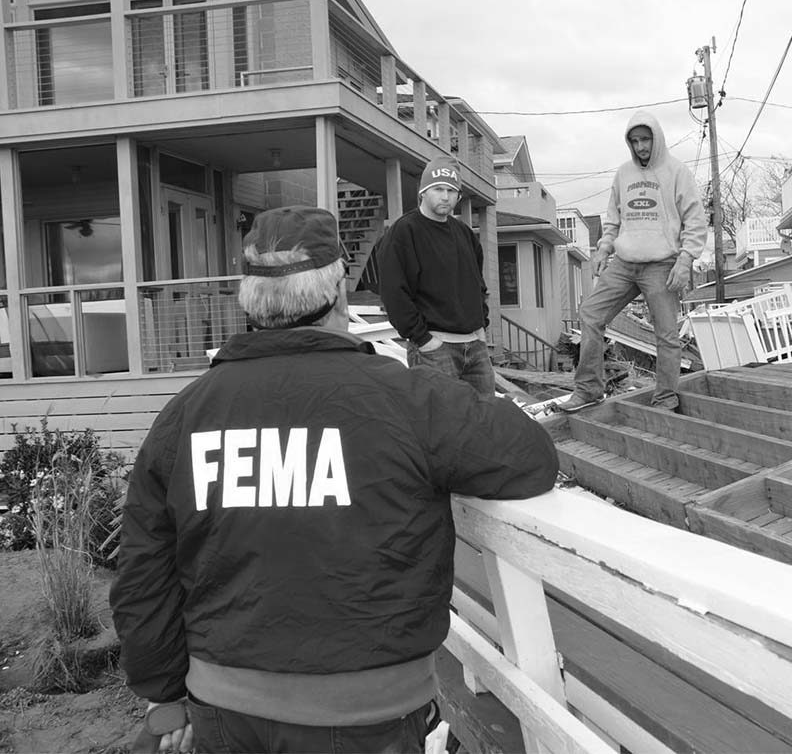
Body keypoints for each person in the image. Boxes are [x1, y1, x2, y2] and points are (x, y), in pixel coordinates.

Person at [110, 205, 559, 754]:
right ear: (339, 291)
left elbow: (142, 571)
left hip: (223, 711)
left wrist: (161, 694)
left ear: (249, 299)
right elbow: (530, 456)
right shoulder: (407, 399)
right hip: (372, 714)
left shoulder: (184, 417)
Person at [559, 110, 707, 413]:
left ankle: (665, 397)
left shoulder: (677, 172)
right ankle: (588, 389)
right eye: (635, 141)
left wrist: (685, 260)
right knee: (590, 313)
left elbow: (695, 219)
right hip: (625, 262)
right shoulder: (623, 174)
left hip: (662, 263)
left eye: (645, 140)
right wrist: (602, 249)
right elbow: (612, 219)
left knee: (666, 333)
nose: (641, 146)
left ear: (657, 139)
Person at [377, 155, 496, 397]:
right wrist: (423, 339)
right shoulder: (404, 233)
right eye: (438, 189)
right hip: (434, 350)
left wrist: (482, 326)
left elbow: (477, 284)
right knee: (441, 426)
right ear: (423, 192)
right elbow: (394, 294)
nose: (445, 196)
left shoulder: (464, 233)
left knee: (486, 423)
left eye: (452, 191)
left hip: (475, 347)